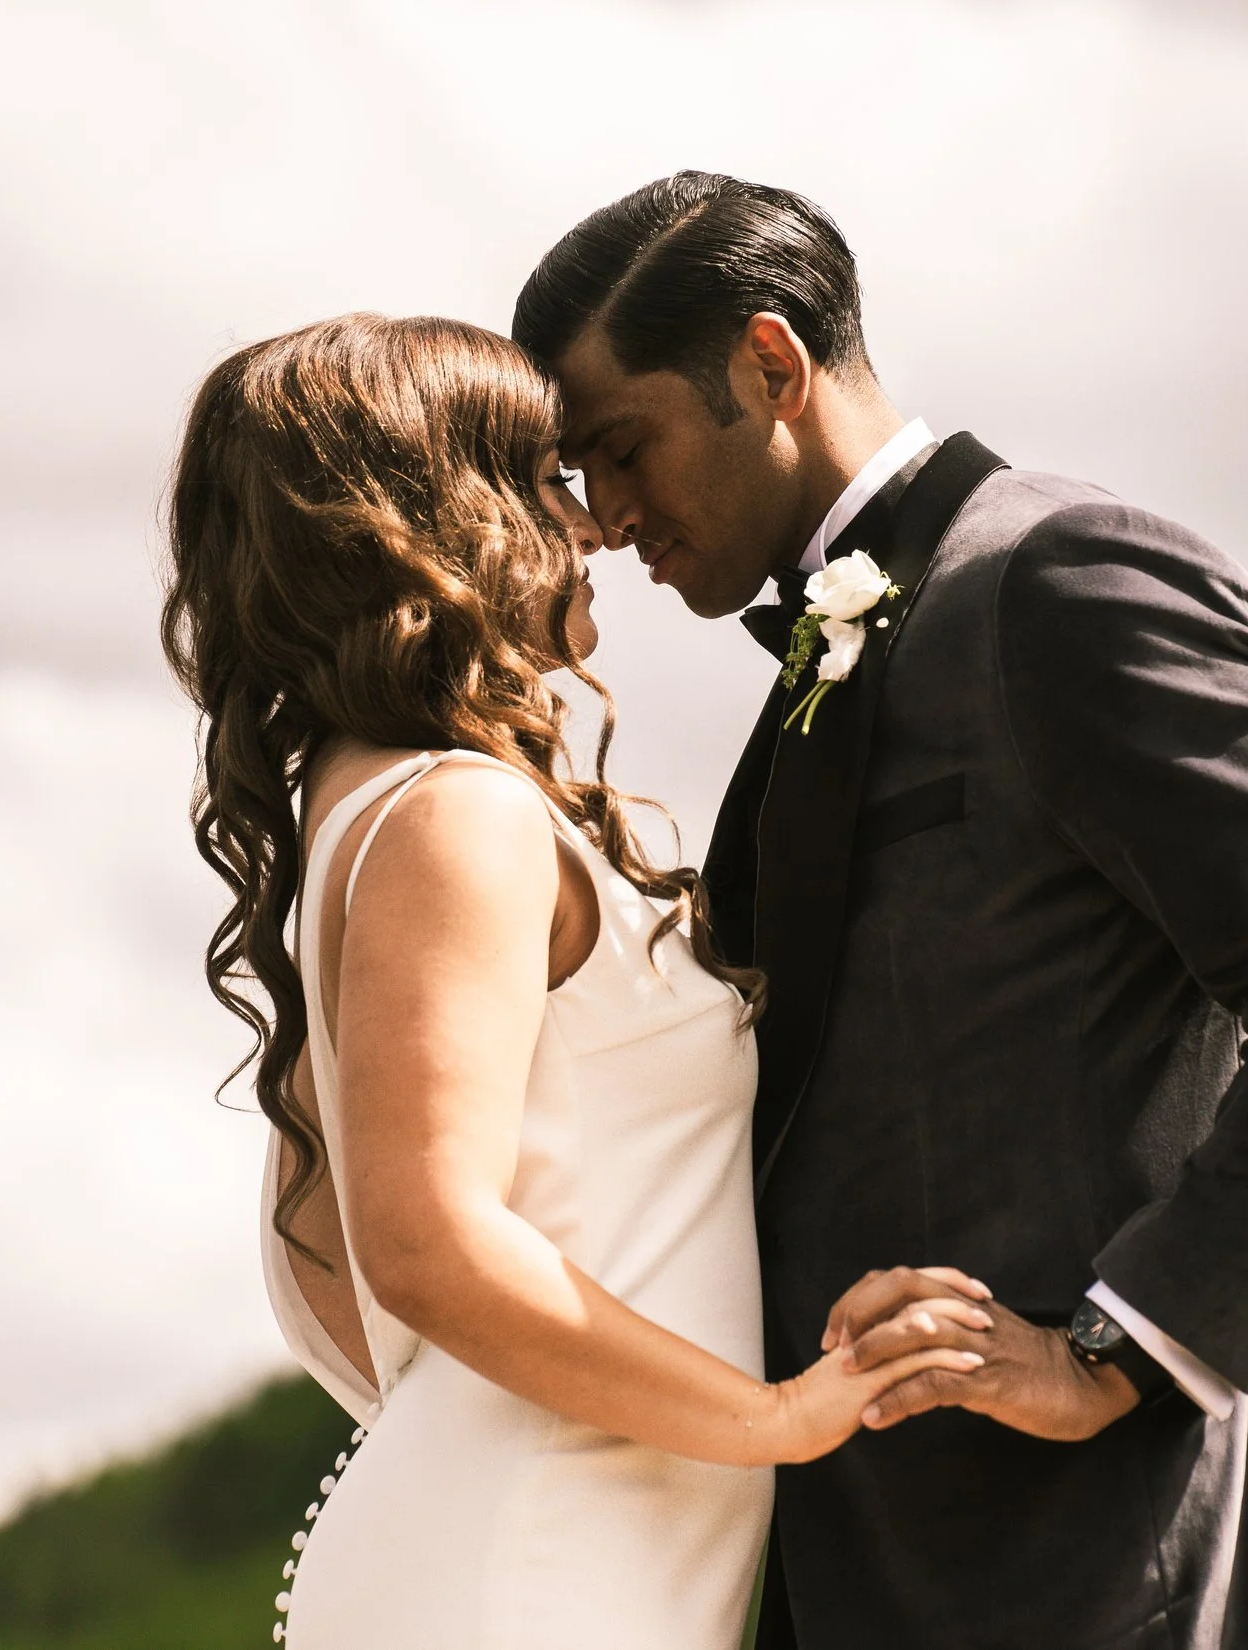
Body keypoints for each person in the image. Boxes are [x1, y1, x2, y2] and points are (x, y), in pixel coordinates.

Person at [513, 173, 1248, 1650]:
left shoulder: (1066, 580)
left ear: (770, 367)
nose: (601, 519)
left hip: (1133, 1569)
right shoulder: (812, 675)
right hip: (887, 1572)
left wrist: (1114, 1353)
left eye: (619, 448)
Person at [159, 313, 978, 1650]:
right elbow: (422, 1240)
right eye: (547, 481)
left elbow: (320, 1250)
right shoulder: (458, 817)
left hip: (551, 1552)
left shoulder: (369, 809)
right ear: (434, 518)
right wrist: (770, 1418)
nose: (595, 522)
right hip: (546, 1574)